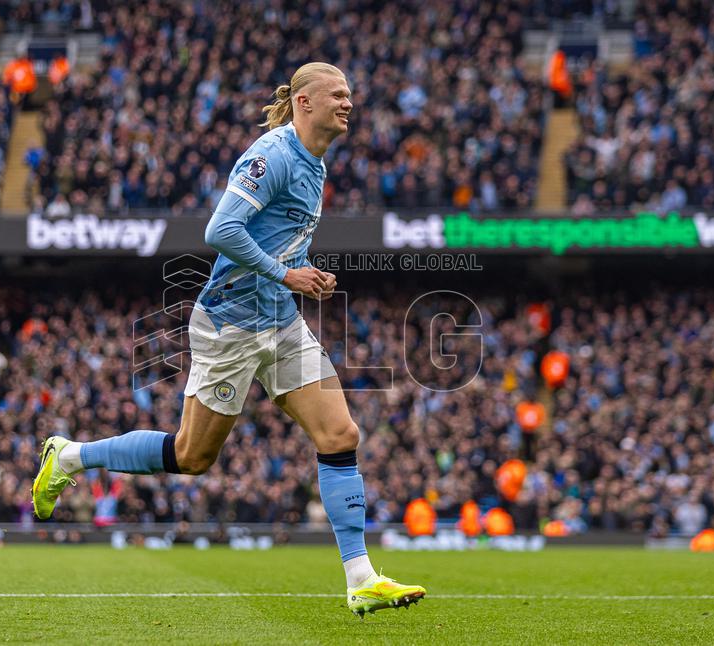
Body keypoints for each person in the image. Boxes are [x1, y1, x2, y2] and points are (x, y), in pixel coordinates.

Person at [32, 62, 426, 617]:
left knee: (340, 433)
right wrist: (287, 273)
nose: (348, 103)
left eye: (350, 95)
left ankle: (360, 577)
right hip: (230, 323)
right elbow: (220, 230)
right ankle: (71, 456)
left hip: (281, 320)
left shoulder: (316, 162)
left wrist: (303, 271)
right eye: (337, 94)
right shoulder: (274, 155)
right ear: (304, 102)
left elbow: (276, 239)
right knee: (192, 456)